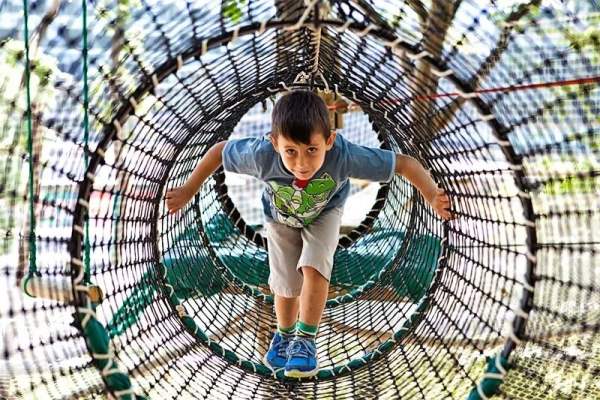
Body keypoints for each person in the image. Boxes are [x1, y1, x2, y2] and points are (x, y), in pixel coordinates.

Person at [165, 91, 453, 378]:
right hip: (278, 217)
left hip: (326, 212)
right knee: (286, 281)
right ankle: (284, 334)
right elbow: (218, 151)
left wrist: (430, 194)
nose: (302, 163)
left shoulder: (343, 155)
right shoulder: (262, 155)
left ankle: (305, 340)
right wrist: (189, 189)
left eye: (312, 150)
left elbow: (403, 164)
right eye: (291, 151)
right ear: (274, 143)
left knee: (314, 267)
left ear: (329, 141)